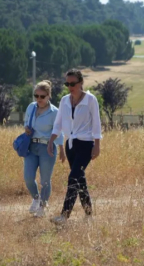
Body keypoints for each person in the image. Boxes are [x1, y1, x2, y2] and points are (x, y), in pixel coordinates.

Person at [48, 69, 102, 225]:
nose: (70, 86)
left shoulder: (91, 100)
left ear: (81, 83)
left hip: (86, 144)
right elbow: (58, 123)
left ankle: (64, 215)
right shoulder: (64, 100)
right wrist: (51, 141)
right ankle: (89, 212)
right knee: (79, 179)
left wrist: (97, 145)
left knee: (73, 177)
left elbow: (97, 124)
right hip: (70, 144)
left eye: (73, 83)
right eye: (67, 83)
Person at [23, 80, 65, 218]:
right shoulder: (31, 107)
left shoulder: (55, 112)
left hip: (47, 147)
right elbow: (26, 120)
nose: (38, 99)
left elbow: (59, 130)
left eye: (42, 96)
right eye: (36, 96)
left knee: (45, 180)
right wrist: (26, 128)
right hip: (31, 146)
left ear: (48, 96)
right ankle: (36, 198)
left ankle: (43, 205)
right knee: (28, 177)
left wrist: (61, 149)